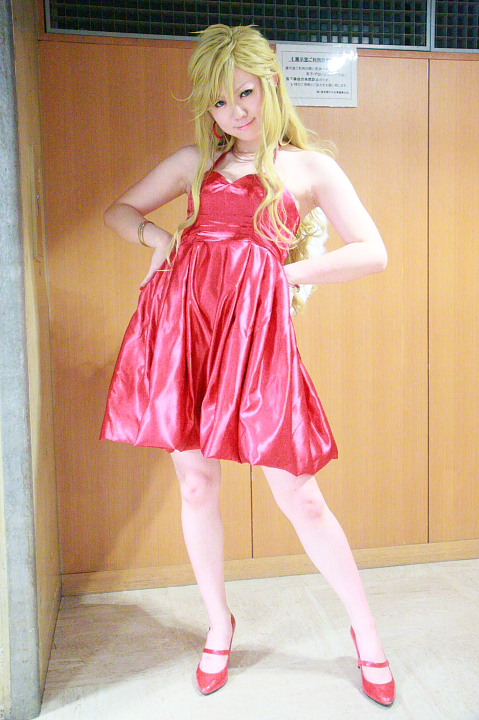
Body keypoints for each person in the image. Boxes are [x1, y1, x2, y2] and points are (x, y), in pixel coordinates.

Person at [100, 24, 395, 706]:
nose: (234, 111)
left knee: (300, 494)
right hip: (185, 329)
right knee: (196, 485)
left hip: (257, 339)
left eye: (245, 93)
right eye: (218, 99)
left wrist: (285, 274)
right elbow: (119, 210)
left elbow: (372, 251)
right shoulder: (192, 163)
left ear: (271, 86)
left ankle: (364, 628)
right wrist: (157, 238)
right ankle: (218, 623)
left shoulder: (310, 169)